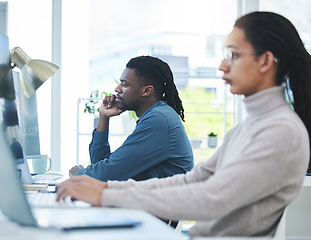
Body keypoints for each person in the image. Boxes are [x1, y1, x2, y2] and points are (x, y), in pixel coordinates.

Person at [57, 11, 311, 237]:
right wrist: (104, 187)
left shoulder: (281, 131)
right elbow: (194, 180)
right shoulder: (250, 127)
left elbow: (212, 198)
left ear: (265, 62)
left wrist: (104, 193)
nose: (222, 65)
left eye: (233, 55)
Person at [70, 56, 194, 181]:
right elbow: (103, 167)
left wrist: (80, 174)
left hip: (165, 199)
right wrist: (103, 117)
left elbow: (106, 175)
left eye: (124, 84)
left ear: (146, 91)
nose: (117, 89)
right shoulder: (157, 115)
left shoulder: (158, 120)